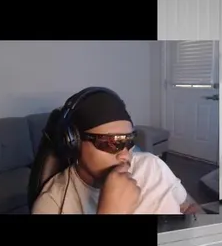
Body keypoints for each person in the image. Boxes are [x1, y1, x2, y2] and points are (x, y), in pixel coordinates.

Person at [30, 87, 201, 215]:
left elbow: (189, 206)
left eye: (128, 141)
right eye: (110, 143)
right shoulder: (52, 204)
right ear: (74, 143)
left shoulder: (151, 165)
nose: (125, 155)